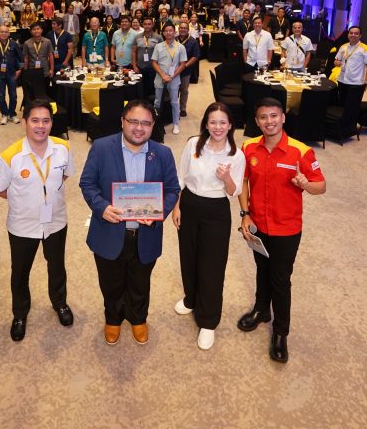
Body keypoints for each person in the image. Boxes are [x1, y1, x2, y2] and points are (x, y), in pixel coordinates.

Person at [79, 99, 181, 346]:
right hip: (109, 231)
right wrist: (102, 208)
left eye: (145, 123)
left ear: (152, 125)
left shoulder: (163, 153)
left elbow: (173, 189)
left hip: (146, 233)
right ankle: (112, 318)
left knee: (140, 281)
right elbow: (87, 183)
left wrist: (158, 212)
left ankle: (138, 318)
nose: (139, 128)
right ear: (122, 122)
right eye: (133, 121)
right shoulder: (102, 148)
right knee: (110, 281)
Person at [237, 98, 327, 363]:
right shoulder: (248, 147)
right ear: (256, 121)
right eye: (263, 117)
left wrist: (305, 184)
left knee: (280, 278)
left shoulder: (300, 151)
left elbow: (321, 186)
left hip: (287, 228)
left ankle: (280, 332)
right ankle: (261, 310)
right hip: (258, 225)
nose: (269, 122)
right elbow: (243, 182)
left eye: (274, 116)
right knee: (262, 270)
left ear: (283, 117)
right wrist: (245, 214)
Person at [0, 100, 74, 341]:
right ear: (25, 122)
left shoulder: (64, 147)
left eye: (46, 120)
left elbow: (66, 174)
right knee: (20, 272)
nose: (41, 126)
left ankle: (59, 303)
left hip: (56, 221)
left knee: (57, 266)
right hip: (22, 225)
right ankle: (19, 313)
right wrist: (23, 200)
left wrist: (46, 194)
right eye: (35, 120)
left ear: (52, 123)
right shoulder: (9, 156)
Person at [172, 103, 246, 350]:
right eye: (213, 122)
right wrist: (177, 206)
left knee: (212, 266)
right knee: (189, 256)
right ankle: (191, 299)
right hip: (190, 203)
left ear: (230, 125)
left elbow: (234, 192)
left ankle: (208, 321)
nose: (218, 127)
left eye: (223, 122)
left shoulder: (236, 154)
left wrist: (226, 178)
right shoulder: (193, 145)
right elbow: (181, 178)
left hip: (216, 210)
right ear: (206, 123)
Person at [333, 26, 367, 138]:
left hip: (356, 83)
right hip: (342, 80)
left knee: (352, 107)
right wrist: (336, 63)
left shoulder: (365, 49)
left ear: (360, 35)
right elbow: (337, 60)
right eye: (351, 33)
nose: (353, 35)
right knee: (342, 105)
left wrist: (366, 82)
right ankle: (341, 128)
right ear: (348, 34)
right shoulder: (343, 47)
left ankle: (350, 130)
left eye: (356, 33)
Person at [151, 24, 188, 135]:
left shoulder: (180, 47)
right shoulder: (158, 46)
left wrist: (172, 76)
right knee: (157, 102)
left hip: (174, 79)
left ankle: (176, 123)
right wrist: (163, 75)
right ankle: (155, 123)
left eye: (170, 31)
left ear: (174, 32)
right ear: (163, 33)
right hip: (160, 77)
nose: (168, 33)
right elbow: (154, 62)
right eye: (166, 31)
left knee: (174, 102)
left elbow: (183, 64)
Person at [0, 26, 23, 125]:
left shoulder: (14, 44)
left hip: (12, 74)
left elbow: (21, 58)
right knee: (1, 96)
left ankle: (12, 114)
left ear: (9, 33)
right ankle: (4, 114)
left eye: (6, 32)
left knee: (13, 95)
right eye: (2, 32)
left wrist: (19, 70)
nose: (4, 34)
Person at [20, 22, 54, 99]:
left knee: (45, 90)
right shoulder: (27, 43)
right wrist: (25, 70)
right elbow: (26, 57)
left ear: (41, 30)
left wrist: (52, 69)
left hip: (45, 69)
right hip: (32, 70)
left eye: (38, 29)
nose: (36, 31)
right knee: (33, 92)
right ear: (31, 31)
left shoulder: (47, 41)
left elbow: (51, 56)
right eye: (34, 29)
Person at [176, 21, 202, 119]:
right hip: (174, 71)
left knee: (184, 90)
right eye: (181, 28)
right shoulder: (174, 40)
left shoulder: (193, 41)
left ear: (188, 30)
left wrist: (185, 66)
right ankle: (173, 107)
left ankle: (183, 108)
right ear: (179, 29)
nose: (183, 30)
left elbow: (195, 56)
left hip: (185, 71)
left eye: (185, 28)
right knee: (173, 90)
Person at [135, 16, 162, 100]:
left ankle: (151, 109)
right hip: (140, 67)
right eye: (145, 24)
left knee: (151, 89)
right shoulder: (137, 37)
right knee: (141, 90)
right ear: (143, 25)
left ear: (152, 25)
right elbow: (133, 51)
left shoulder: (158, 37)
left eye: (149, 24)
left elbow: (161, 54)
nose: (147, 26)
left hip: (153, 68)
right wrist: (134, 66)